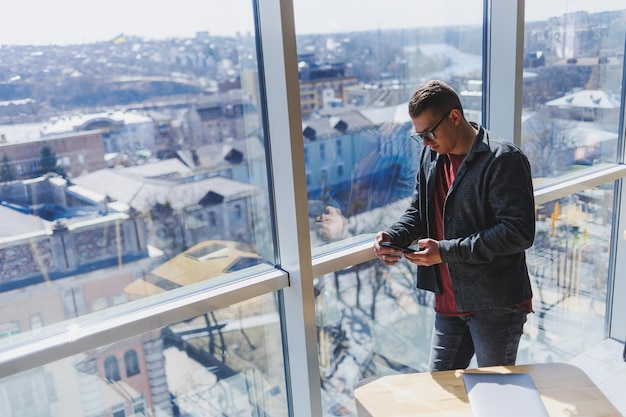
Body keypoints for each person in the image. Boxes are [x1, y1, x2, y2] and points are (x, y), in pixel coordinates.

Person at [373, 80, 536, 372]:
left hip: (495, 304)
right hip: (449, 300)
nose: (424, 142)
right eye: (418, 136)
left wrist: (444, 252)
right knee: (440, 389)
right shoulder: (431, 155)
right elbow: (420, 210)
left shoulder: (503, 160)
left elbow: (518, 232)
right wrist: (393, 236)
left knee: (495, 393)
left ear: (455, 117)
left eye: (429, 132)